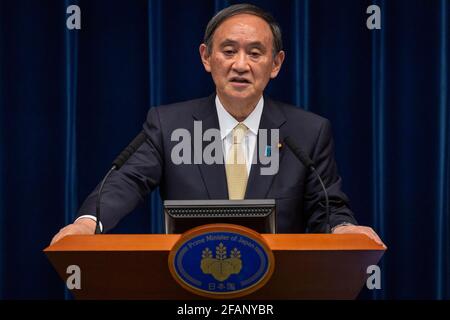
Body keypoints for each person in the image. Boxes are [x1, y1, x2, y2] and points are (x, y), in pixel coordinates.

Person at [51, 4, 384, 246]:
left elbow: (327, 207)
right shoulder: (170, 125)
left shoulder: (307, 133)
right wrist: (87, 224)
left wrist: (342, 228)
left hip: (276, 288)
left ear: (276, 64)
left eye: (255, 53)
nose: (241, 64)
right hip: (189, 289)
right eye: (228, 51)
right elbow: (128, 180)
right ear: (206, 57)